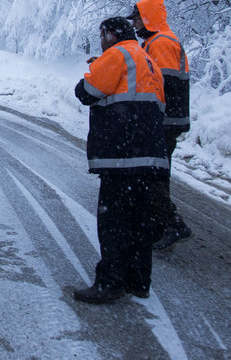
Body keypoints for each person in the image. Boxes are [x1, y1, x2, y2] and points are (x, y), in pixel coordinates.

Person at [72, 17, 169, 304]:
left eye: (102, 34)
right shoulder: (148, 60)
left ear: (112, 34)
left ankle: (111, 281)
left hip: (122, 154)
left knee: (114, 221)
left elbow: (85, 92)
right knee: (141, 220)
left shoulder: (117, 54)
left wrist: (96, 66)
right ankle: (139, 281)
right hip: (149, 153)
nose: (100, 39)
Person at [129, 0, 193, 251]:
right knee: (152, 173)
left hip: (165, 121)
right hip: (164, 120)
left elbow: (162, 86)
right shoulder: (155, 42)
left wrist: (150, 118)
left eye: (136, 19)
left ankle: (172, 224)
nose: (134, 25)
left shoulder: (162, 43)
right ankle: (158, 225)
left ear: (148, 19)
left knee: (154, 175)